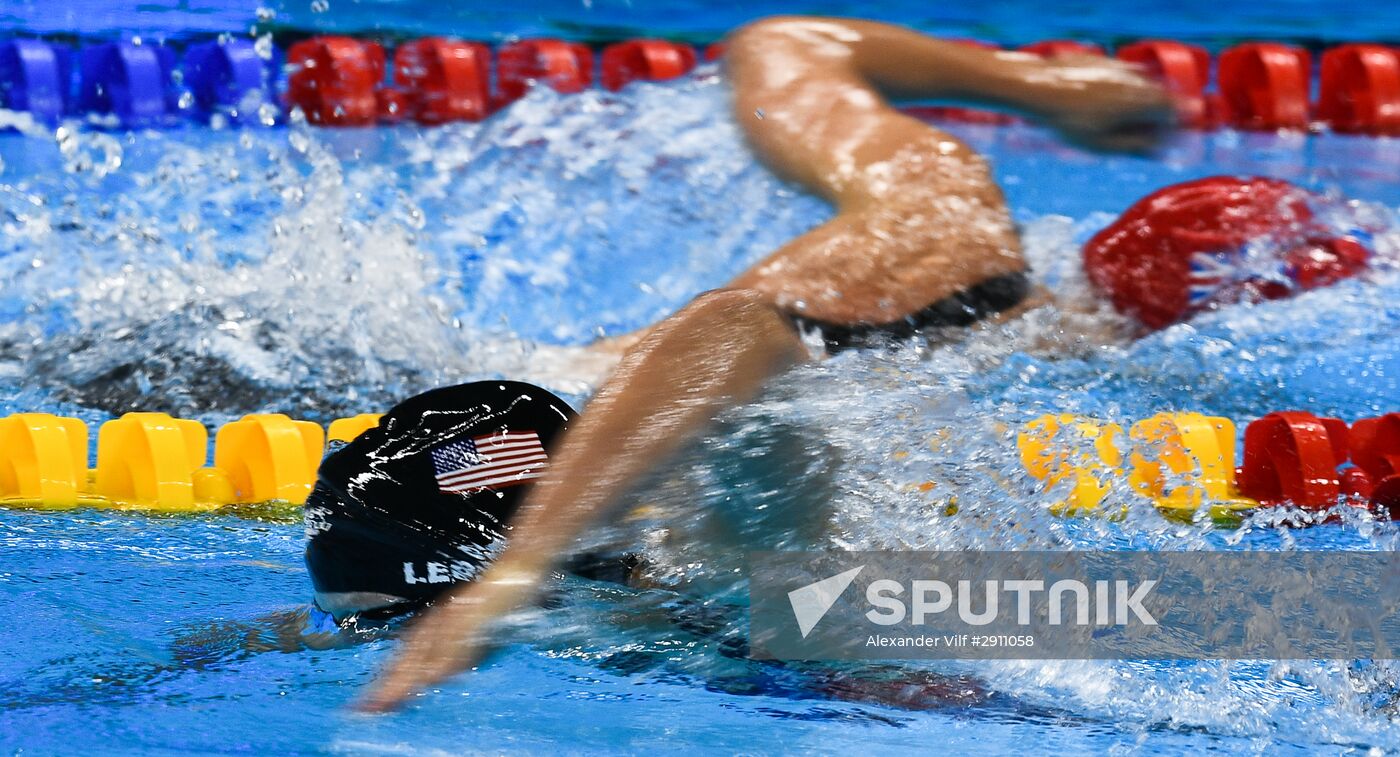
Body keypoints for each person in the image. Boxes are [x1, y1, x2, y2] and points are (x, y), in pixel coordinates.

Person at [351, 16, 1184, 712]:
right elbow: (738, 332)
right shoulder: (950, 234)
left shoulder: (939, 220)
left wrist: (1042, 86)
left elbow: (739, 320)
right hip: (1079, 651)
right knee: (1274, 614)